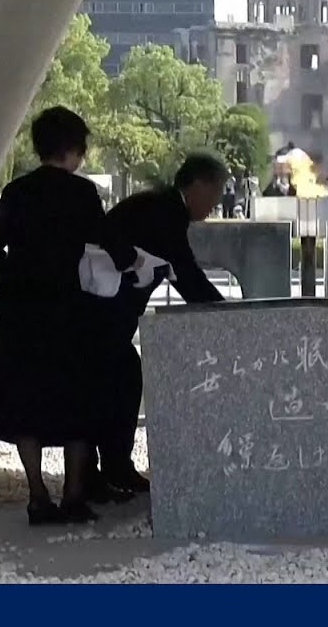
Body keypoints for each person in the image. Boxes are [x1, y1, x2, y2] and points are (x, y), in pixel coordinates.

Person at [0, 106, 138, 525]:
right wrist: (130, 260)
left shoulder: (17, 192)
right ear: (75, 149)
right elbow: (108, 243)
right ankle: (72, 495)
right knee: (76, 399)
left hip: (21, 308)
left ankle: (36, 496)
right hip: (68, 306)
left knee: (24, 397)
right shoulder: (81, 194)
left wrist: (10, 273)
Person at [87, 153, 229, 497]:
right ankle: (109, 470)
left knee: (117, 380)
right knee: (117, 380)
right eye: (214, 193)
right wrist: (229, 315)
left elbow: (183, 273)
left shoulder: (161, 206)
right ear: (197, 185)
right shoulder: (165, 211)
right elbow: (188, 276)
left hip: (106, 312)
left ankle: (103, 470)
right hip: (103, 312)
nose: (215, 204)